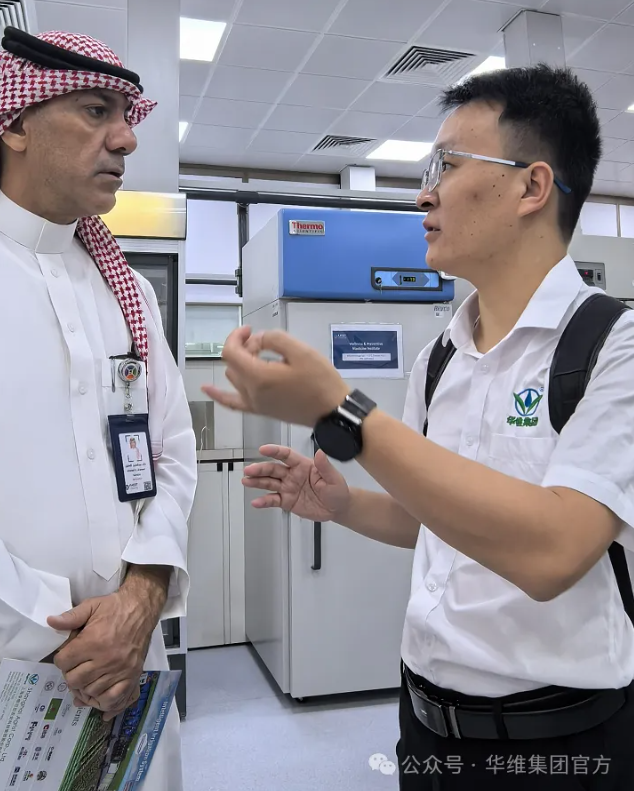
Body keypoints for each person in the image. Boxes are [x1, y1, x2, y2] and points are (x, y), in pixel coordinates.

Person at [203, 64, 634, 789]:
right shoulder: (441, 356)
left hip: (560, 735)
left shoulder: (612, 346)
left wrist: (343, 410)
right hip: (427, 724)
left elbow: (554, 551)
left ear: (532, 187)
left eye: (449, 166)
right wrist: (343, 505)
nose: (423, 194)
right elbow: (430, 518)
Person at [0, 27, 195, 791]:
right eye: (96, 111)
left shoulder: (127, 293)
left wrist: (143, 595)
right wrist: (62, 631)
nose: (126, 138)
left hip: (129, 667)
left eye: (126, 116)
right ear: (17, 125)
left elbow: (173, 454)